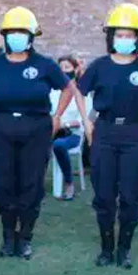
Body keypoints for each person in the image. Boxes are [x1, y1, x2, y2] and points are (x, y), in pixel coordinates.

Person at [0, 7, 89, 260]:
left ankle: (24, 237)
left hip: (36, 128)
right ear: (4, 36)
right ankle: (7, 236)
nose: (16, 37)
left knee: (31, 184)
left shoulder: (44, 64)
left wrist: (57, 116)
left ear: (32, 35)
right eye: (11, 32)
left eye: (21, 32)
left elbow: (68, 89)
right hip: (0, 127)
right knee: (4, 183)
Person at [77, 3, 138, 269]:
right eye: (119, 34)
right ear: (111, 37)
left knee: (130, 196)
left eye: (130, 35)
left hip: (134, 133)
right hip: (104, 132)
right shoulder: (100, 66)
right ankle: (106, 249)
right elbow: (78, 91)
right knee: (104, 195)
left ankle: (124, 250)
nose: (124, 40)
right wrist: (87, 123)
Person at [50, 55, 83, 200]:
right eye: (61, 68)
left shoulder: (82, 93)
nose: (64, 71)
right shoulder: (53, 92)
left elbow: (83, 121)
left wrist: (64, 124)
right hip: (52, 131)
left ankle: (69, 182)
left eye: (67, 68)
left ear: (75, 70)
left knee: (58, 145)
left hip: (72, 134)